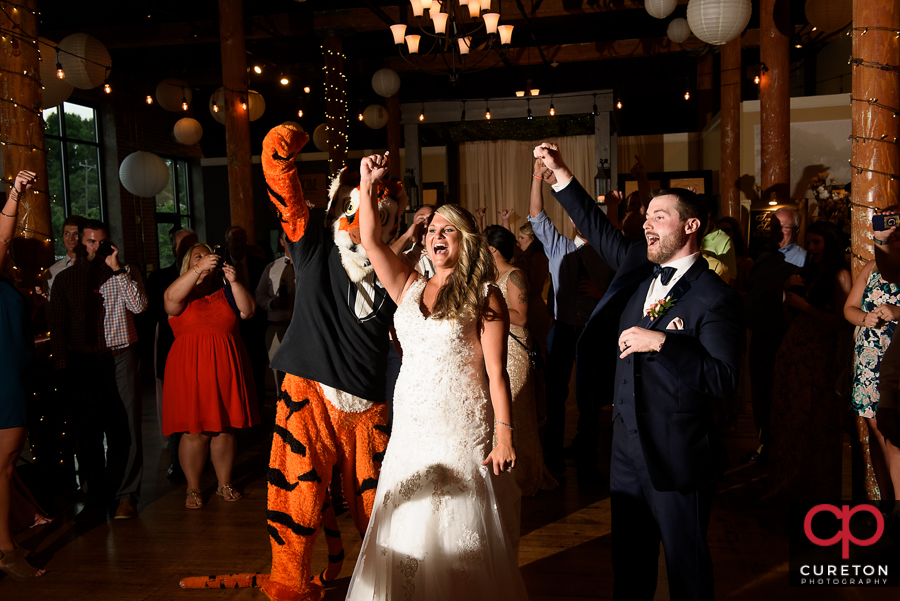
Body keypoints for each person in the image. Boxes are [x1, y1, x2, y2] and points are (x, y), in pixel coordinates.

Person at [535, 142, 743, 601]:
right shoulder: (636, 266)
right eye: (646, 216)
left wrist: (664, 342)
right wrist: (561, 172)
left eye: (659, 216)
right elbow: (593, 224)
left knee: (686, 570)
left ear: (691, 226)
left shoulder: (715, 297)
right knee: (629, 565)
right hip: (626, 452)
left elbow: (724, 378)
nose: (647, 224)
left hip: (678, 456)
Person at [347, 152, 527, 600]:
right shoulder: (407, 284)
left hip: (459, 427)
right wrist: (367, 184)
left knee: (454, 530)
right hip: (411, 427)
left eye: (448, 230)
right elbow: (369, 239)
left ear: (465, 241)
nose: (436, 236)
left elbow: (496, 373)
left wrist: (504, 435)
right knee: (408, 523)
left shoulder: (485, 297)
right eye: (432, 230)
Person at [49, 219, 148, 522]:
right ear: (79, 243)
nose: (95, 247)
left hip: (120, 356)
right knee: (88, 431)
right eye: (90, 242)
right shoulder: (65, 279)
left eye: (100, 242)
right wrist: (63, 367)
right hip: (83, 362)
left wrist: (117, 269)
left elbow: (140, 306)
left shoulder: (125, 273)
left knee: (127, 428)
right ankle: (95, 496)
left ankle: (126, 496)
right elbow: (57, 327)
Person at [528, 158, 613, 478]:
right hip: (562, 329)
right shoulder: (558, 245)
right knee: (555, 392)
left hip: (592, 331)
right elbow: (536, 216)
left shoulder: (608, 252)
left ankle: (587, 448)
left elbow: (622, 293)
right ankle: (552, 452)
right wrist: (537, 177)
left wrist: (600, 293)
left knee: (589, 394)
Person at [162, 242, 260, 509]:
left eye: (208, 255)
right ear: (189, 263)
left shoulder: (225, 291)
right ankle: (193, 487)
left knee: (224, 430)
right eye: (198, 256)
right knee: (196, 431)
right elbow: (170, 303)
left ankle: (224, 483)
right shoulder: (182, 290)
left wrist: (234, 280)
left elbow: (248, 311)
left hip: (225, 367)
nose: (206, 259)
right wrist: (197, 270)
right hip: (191, 370)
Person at [766, 220, 851, 501]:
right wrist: (787, 295)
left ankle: (815, 489)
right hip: (794, 350)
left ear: (830, 243)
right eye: (809, 242)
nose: (812, 248)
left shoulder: (839, 275)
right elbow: (791, 316)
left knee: (813, 419)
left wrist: (807, 307)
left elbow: (841, 322)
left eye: (817, 242)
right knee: (789, 417)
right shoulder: (808, 273)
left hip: (819, 354)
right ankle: (787, 482)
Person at [484, 225, 557, 496]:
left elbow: (522, 317)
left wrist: (490, 310)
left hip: (515, 353)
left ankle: (524, 475)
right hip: (495, 350)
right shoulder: (487, 276)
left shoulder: (514, 276)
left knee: (519, 415)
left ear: (492, 249)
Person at [0, 170, 45, 579]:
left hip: (11, 374)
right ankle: (6, 549)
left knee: (8, 461)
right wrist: (14, 193)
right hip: (3, 376)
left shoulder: (7, 278)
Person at [845, 226, 900, 508]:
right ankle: (886, 503)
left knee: (895, 438)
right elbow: (849, 309)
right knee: (876, 432)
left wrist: (897, 312)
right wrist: (864, 317)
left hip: (896, 357)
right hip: (869, 359)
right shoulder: (871, 267)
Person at [146, 227, 198, 479]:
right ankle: (177, 464)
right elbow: (154, 316)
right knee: (177, 408)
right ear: (174, 249)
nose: (190, 249)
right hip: (172, 348)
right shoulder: (159, 278)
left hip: (202, 353)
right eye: (184, 245)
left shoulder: (211, 278)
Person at [255, 231, 295, 392]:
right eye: (288, 238)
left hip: (299, 329)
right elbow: (259, 294)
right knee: (278, 377)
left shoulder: (307, 267)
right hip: (276, 326)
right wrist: (272, 302)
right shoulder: (272, 267)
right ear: (281, 242)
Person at [38, 214, 86, 299]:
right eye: (67, 233)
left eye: (76, 234)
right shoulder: (52, 272)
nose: (71, 238)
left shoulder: (94, 268)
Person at [717, 216, 753, 293]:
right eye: (719, 231)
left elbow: (752, 293)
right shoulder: (715, 259)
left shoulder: (746, 262)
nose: (722, 234)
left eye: (726, 230)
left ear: (735, 233)